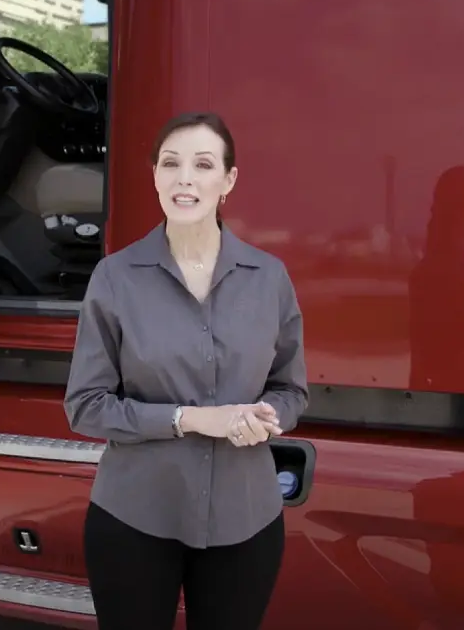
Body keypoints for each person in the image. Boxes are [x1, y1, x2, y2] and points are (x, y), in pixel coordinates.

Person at [63, 111, 309, 630]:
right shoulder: (115, 278)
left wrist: (268, 414)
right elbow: (85, 406)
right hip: (135, 519)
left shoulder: (269, 279)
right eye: (171, 164)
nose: (185, 179)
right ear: (154, 174)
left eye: (203, 164)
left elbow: (291, 388)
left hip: (247, 521)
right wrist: (191, 419)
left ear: (229, 180)